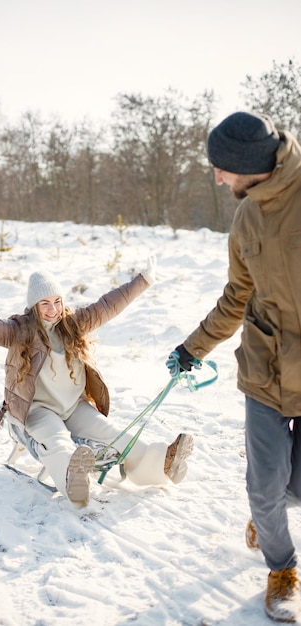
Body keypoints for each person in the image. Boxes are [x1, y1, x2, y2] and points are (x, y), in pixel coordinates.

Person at [0, 259, 193, 509]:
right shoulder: (17, 332)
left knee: (115, 434)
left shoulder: (74, 324)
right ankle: (73, 479)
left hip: (74, 406)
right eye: (45, 304)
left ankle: (160, 466)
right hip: (39, 409)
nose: (53, 310)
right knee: (56, 441)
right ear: (34, 306)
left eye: (57, 302)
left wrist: (143, 280)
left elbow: (108, 305)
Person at [167, 111, 301, 623]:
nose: (218, 178)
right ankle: (282, 567)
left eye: (221, 169)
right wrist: (192, 348)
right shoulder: (245, 218)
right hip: (265, 373)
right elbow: (236, 296)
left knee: (291, 489)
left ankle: (266, 518)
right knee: (265, 486)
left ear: (249, 165)